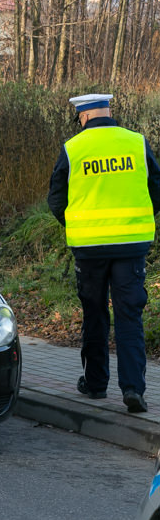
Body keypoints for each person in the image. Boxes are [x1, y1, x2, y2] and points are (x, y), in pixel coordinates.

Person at [48, 93, 160, 413]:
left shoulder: (74, 149)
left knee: (94, 314)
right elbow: (156, 187)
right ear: (110, 112)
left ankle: (96, 385)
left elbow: (56, 198)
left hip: (89, 248)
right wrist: (140, 217)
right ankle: (133, 390)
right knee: (130, 316)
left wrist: (75, 224)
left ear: (82, 117)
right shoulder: (136, 142)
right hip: (131, 244)